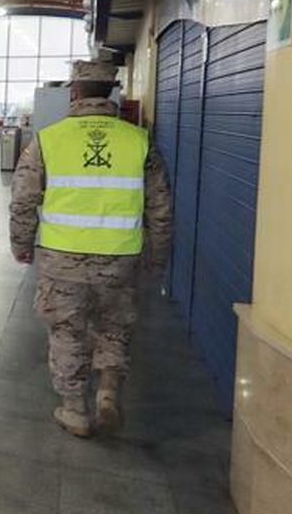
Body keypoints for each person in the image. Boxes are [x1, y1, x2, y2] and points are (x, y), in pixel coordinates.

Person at [9, 58, 172, 437]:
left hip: (62, 259)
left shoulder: (48, 141)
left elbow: (22, 201)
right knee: (114, 327)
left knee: (67, 330)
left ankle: (74, 409)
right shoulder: (139, 141)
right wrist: (157, 257)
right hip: (120, 258)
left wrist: (21, 245)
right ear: (111, 92)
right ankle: (109, 392)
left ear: (75, 92)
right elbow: (161, 208)